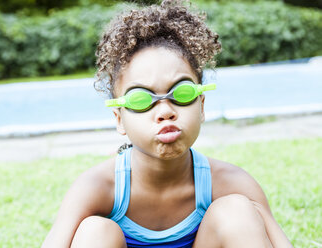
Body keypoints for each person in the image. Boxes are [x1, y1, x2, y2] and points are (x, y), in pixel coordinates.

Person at [42, 1, 293, 247]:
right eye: (140, 99)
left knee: (237, 210)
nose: (165, 111)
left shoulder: (230, 182)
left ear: (202, 105)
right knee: (95, 232)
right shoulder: (97, 187)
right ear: (119, 119)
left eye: (182, 93)